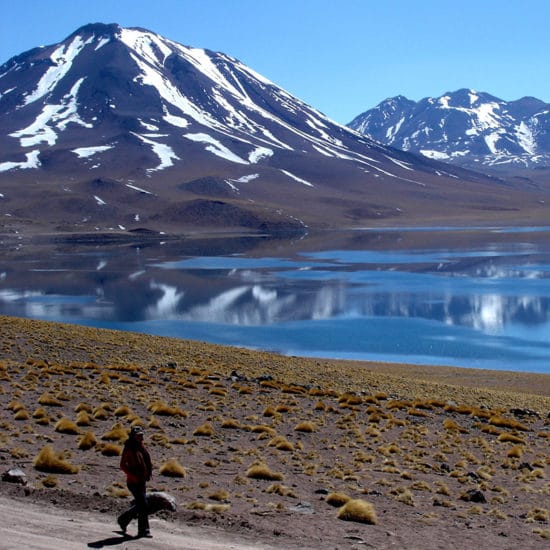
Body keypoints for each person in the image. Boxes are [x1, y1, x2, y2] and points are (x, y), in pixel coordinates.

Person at [117, 425, 153, 538]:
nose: (141, 437)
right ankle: (143, 530)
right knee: (143, 505)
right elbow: (122, 465)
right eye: (138, 436)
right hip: (133, 482)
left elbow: (146, 461)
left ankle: (123, 519)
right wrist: (132, 475)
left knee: (141, 504)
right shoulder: (129, 448)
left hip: (141, 480)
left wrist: (146, 474)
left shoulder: (140, 447)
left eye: (141, 435)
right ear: (133, 436)